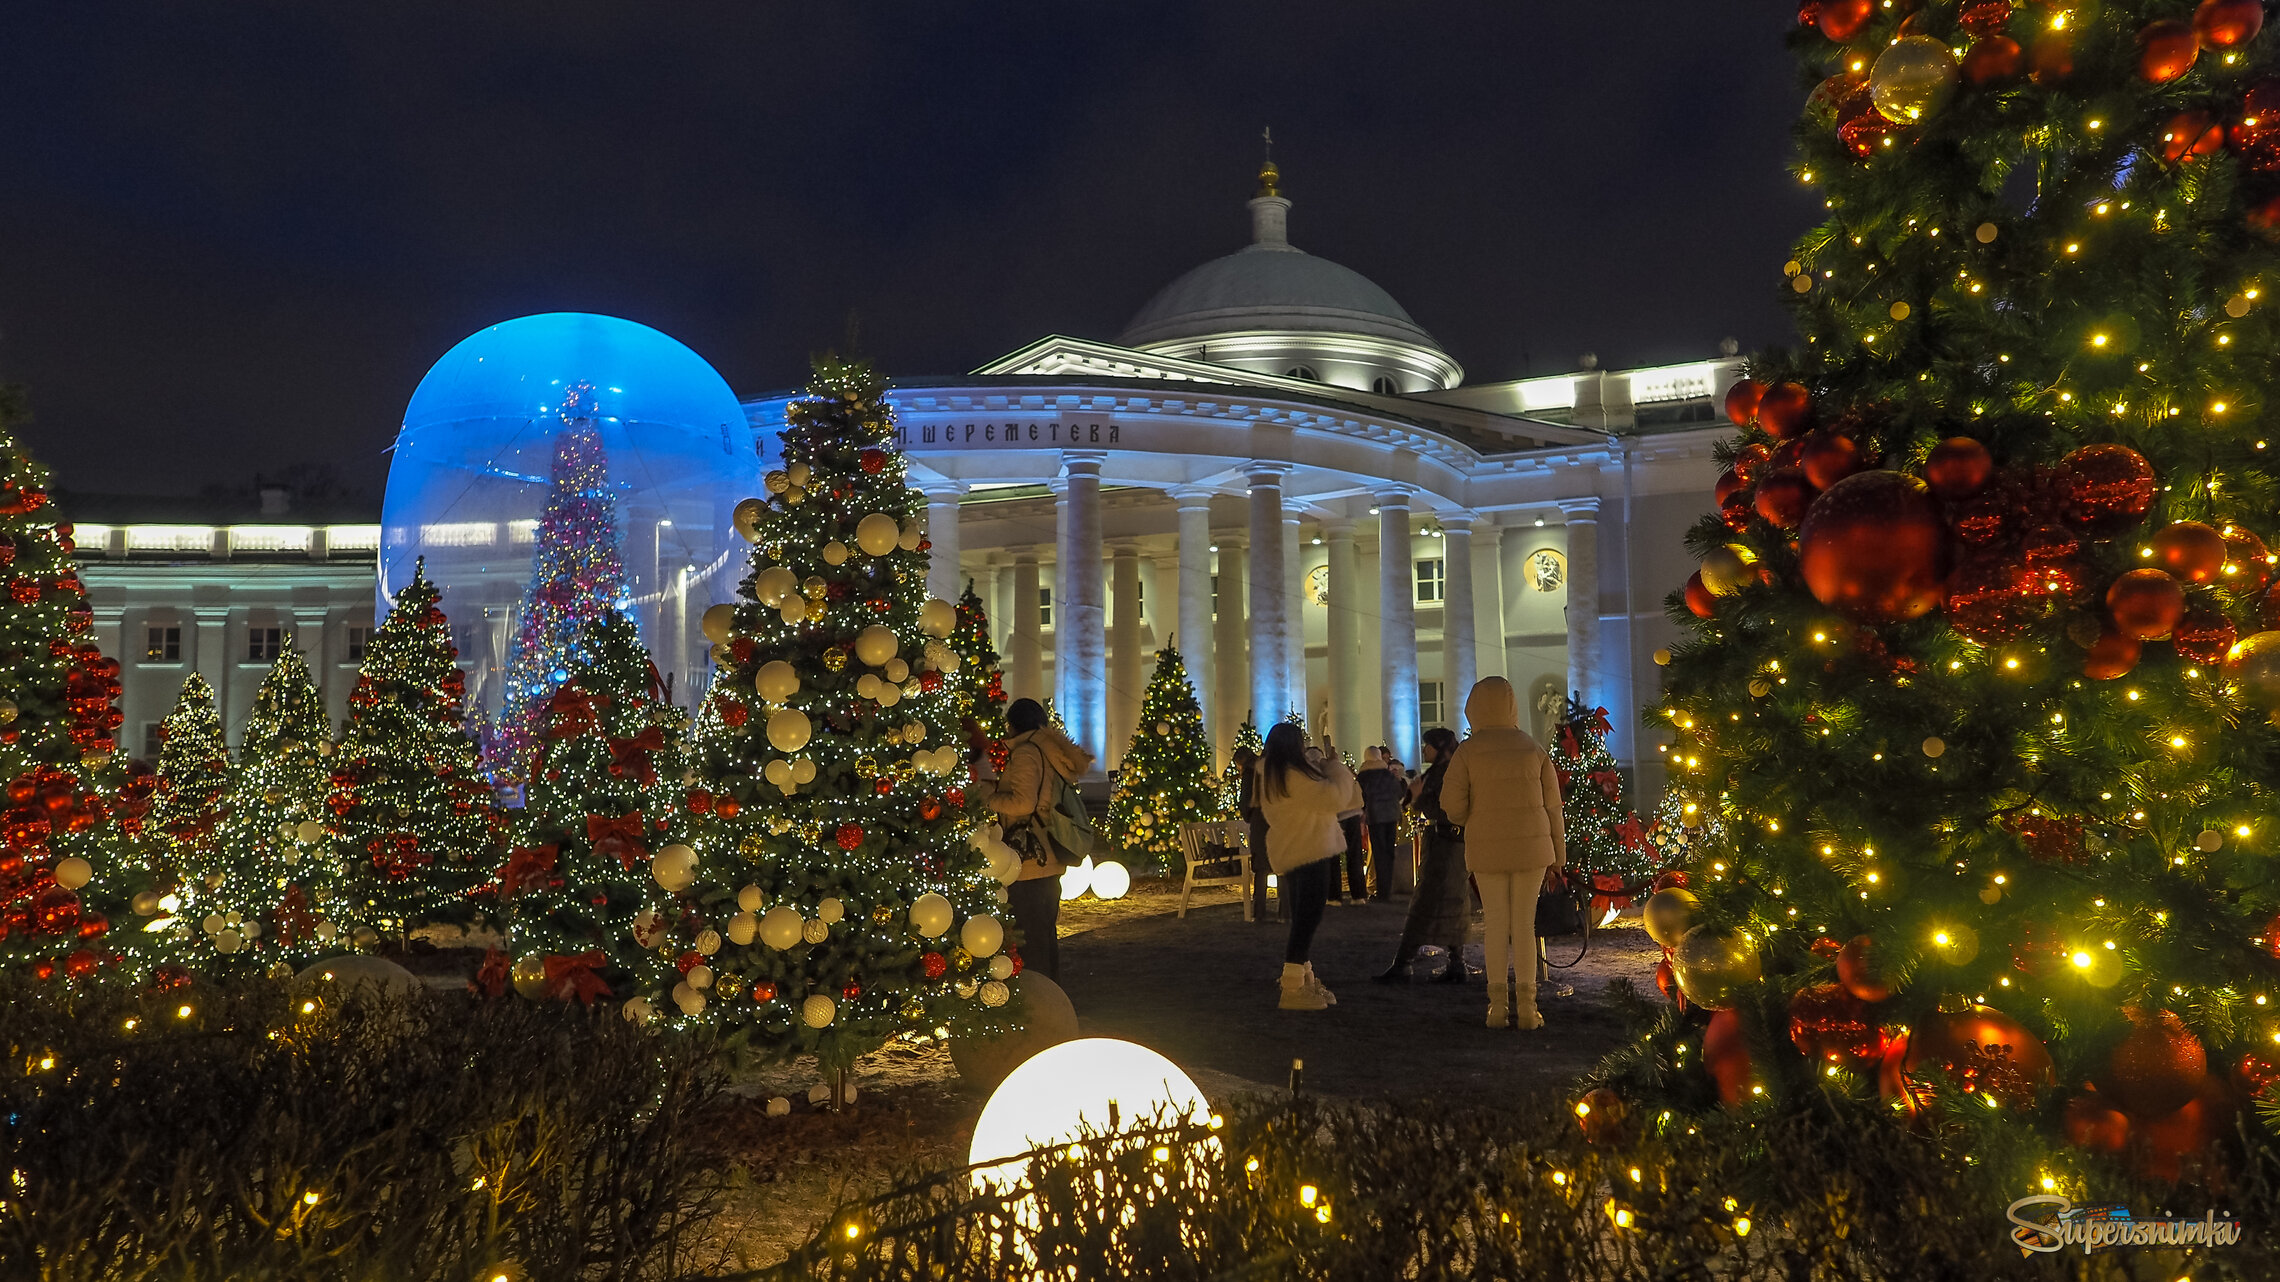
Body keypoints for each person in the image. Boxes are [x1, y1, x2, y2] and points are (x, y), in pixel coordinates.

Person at [1441, 677, 1565, 1030]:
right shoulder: (1533, 749)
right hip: (1533, 848)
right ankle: (1528, 1008)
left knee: (1495, 925)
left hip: (1486, 848)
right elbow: (1554, 807)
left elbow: (1451, 806)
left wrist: (1474, 817)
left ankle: (1496, 1008)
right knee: (1524, 925)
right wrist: (1559, 856)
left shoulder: (1468, 751)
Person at [984, 697, 1094, 982]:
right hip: (1049, 854)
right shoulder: (1050, 751)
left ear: (1013, 725)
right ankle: (1051, 992)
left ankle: (1041, 998)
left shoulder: (1027, 753)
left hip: (1030, 857)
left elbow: (1022, 804)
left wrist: (989, 800)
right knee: (1044, 931)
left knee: (1029, 935)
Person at [1258, 722, 1353, 1010]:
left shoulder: (1273, 774)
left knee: (1304, 915)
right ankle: (1293, 985)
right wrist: (1336, 767)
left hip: (1295, 847)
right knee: (1307, 918)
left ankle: (1304, 978)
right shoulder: (1293, 774)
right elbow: (1334, 797)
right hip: (1310, 847)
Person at [1373, 727, 1472, 984]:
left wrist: (1417, 799)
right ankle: (1455, 962)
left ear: (1440, 747)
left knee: (1426, 901)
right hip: (1450, 844)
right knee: (1452, 900)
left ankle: (1405, 962)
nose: (1424, 750)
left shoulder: (1446, 773)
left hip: (1445, 845)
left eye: (1428, 745)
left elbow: (1444, 810)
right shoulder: (1452, 770)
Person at [1356, 747, 1406, 902]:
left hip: (1376, 817)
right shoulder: (1388, 774)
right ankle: (1386, 890)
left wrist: (1363, 812)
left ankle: (1381, 891)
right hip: (1391, 816)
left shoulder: (1363, 775)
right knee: (1389, 853)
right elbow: (1399, 793)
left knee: (1379, 854)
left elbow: (1360, 797)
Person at [1232, 743, 1272, 922]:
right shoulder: (1269, 766)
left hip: (1259, 820)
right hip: (1275, 817)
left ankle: (1260, 910)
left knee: (1261, 866)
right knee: (1279, 864)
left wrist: (1248, 816)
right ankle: (1285, 911)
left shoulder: (1249, 772)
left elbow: (1245, 801)